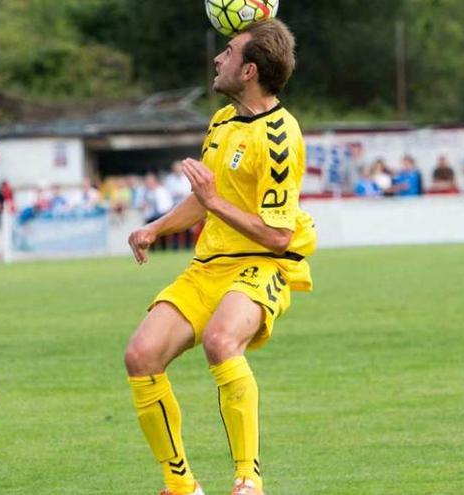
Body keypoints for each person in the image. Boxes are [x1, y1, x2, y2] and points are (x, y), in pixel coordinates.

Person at [125, 20, 315, 495]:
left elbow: (277, 234)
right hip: (209, 266)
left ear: (249, 70)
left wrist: (213, 204)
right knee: (141, 355)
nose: (217, 59)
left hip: (263, 263)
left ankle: (249, 480)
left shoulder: (280, 138)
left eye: (228, 53)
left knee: (221, 340)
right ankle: (180, 485)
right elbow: (207, 196)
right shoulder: (222, 121)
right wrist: (156, 227)